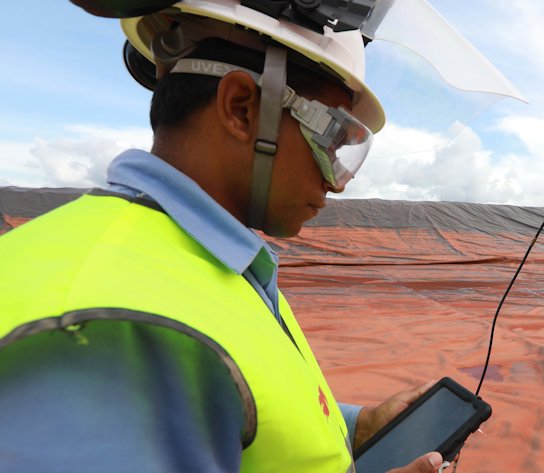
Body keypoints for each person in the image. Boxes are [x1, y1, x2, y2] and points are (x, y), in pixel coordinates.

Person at [0, 1, 514, 471]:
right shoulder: (110, 327)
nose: (338, 182)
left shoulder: (214, 262)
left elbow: (239, 413)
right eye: (333, 139)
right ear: (242, 107)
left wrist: (356, 428)